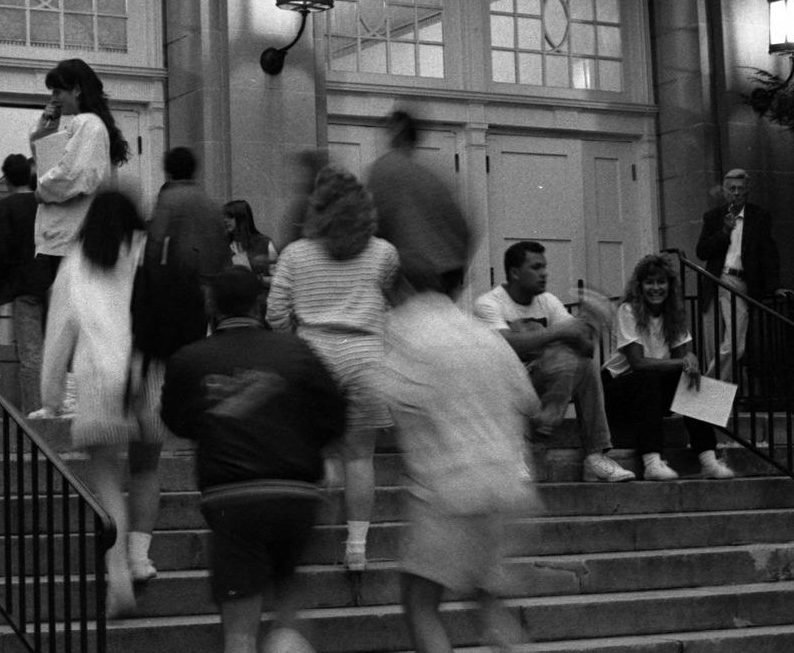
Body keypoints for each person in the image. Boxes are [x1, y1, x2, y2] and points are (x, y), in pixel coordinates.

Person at [160, 267, 346, 653]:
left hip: (234, 496)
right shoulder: (297, 352)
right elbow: (334, 415)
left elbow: (176, 420)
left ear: (211, 307)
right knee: (287, 575)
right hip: (296, 491)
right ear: (261, 304)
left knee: (239, 631)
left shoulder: (190, 359)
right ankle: (289, 641)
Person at [377, 271, 553, 653]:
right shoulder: (482, 333)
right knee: (487, 602)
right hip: (509, 486)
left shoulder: (407, 330)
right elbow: (530, 402)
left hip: (449, 489)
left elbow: (385, 398)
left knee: (419, 602)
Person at [267, 167, 398, 571]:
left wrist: (296, 338)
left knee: (310, 446)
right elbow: (392, 307)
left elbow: (273, 313)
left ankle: (307, 526)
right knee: (360, 456)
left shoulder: (295, 254)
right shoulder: (384, 253)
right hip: (365, 354)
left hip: (312, 352)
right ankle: (356, 547)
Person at [37, 190, 156, 616]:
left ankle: (117, 576)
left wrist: (51, 396)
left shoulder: (75, 263)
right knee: (146, 470)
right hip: (148, 378)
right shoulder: (144, 252)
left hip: (98, 381)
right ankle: (141, 555)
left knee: (108, 487)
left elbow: (59, 336)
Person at [129, 146, 230, 581]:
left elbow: (154, 251)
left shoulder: (167, 201)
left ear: (169, 169)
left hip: (168, 305)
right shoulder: (210, 202)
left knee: (147, 446)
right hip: (203, 297)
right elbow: (223, 251)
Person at [474, 241, 635, 483]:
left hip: (544, 384)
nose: (544, 273)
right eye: (536, 267)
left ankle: (595, 455)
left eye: (545, 267)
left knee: (584, 365)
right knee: (550, 355)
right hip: (504, 388)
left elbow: (587, 349)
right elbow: (507, 346)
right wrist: (559, 334)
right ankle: (518, 447)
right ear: (515, 272)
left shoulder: (548, 301)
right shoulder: (489, 303)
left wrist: (590, 322)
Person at [601, 254, 733, 480]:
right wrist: (683, 361)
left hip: (650, 392)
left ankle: (708, 459)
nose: (655, 288)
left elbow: (685, 360)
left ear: (669, 285)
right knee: (648, 375)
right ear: (640, 286)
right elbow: (638, 363)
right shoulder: (628, 310)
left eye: (661, 282)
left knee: (692, 379)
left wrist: (690, 363)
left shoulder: (674, 313)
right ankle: (652, 461)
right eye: (649, 282)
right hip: (618, 388)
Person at [31, 58, 130, 271]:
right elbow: (50, 162)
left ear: (76, 90)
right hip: (74, 236)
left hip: (69, 237)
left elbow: (74, 174)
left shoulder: (87, 123)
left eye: (57, 91)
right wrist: (47, 128)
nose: (53, 99)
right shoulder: (91, 124)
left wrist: (42, 191)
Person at [366, 109, 471, 296]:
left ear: (396, 132)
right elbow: (463, 228)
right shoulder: (433, 175)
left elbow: (375, 224)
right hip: (447, 271)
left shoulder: (384, 169)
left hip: (411, 273)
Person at [694, 168, 786, 383]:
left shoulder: (759, 217)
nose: (736, 193)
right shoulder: (713, 217)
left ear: (747, 191)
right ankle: (719, 404)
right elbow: (702, 251)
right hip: (715, 280)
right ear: (724, 192)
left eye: (740, 189)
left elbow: (768, 253)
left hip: (740, 282)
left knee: (735, 343)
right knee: (713, 345)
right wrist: (724, 232)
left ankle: (704, 394)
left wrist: (775, 286)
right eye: (731, 189)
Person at [0, 153, 51, 416]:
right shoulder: (47, 204)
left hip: (23, 285)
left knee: (30, 355)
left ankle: (35, 413)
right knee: (58, 349)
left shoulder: (3, 208)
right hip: (54, 280)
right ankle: (61, 407)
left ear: (7, 177)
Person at [223, 199, 278, 292]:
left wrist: (258, 279)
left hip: (259, 301)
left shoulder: (264, 243)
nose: (225, 220)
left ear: (242, 218)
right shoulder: (223, 245)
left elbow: (278, 279)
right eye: (224, 216)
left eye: (230, 216)